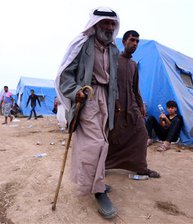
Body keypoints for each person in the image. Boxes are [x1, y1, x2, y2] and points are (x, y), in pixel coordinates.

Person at [55, 7, 120, 219]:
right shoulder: (82, 45)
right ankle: (98, 191)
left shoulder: (114, 50)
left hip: (106, 101)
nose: (109, 27)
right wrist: (76, 92)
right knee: (95, 144)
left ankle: (97, 180)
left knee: (103, 141)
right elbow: (66, 75)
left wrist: (115, 100)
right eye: (105, 23)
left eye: (112, 23)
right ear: (96, 24)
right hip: (88, 98)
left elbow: (113, 79)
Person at [106, 30, 160, 178]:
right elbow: (109, 84)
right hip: (117, 106)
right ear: (123, 42)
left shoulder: (133, 64)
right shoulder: (114, 60)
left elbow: (135, 87)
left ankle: (140, 167)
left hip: (132, 106)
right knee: (113, 136)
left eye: (137, 41)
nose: (135, 43)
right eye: (132, 40)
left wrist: (141, 104)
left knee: (141, 134)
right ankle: (103, 165)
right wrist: (114, 101)